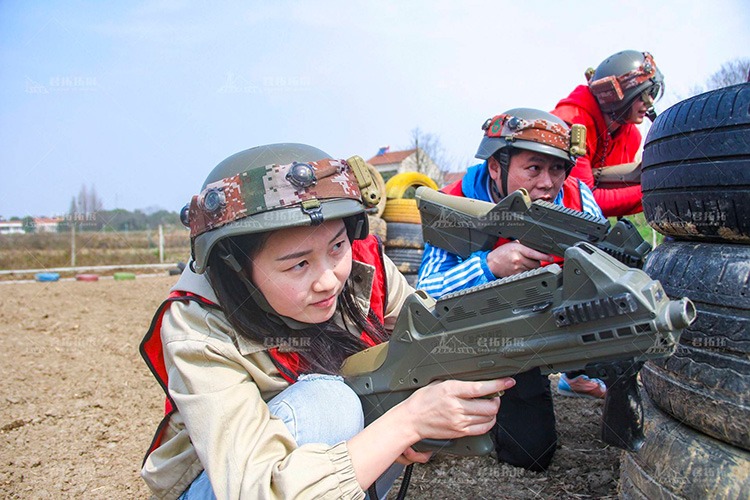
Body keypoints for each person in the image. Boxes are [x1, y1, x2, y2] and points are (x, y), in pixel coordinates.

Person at [139, 143, 516, 500]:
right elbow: (256, 489)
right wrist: (408, 423)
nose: (329, 279)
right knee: (332, 404)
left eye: (337, 246)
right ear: (236, 268)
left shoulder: (364, 265)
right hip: (228, 483)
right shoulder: (197, 327)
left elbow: (435, 332)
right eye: (298, 264)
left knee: (384, 388)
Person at [417, 109, 606, 472]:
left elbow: (603, 261)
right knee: (525, 452)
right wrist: (489, 266)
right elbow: (426, 295)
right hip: (482, 337)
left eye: (558, 169)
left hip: (550, 325)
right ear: (495, 167)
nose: (549, 183)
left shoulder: (578, 197)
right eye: (534, 168)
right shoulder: (452, 203)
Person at [551, 50, 664, 218]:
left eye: (652, 93)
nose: (649, 102)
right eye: (642, 95)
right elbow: (582, 201)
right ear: (616, 98)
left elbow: (616, 190)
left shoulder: (630, 134)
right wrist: (659, 190)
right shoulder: (571, 124)